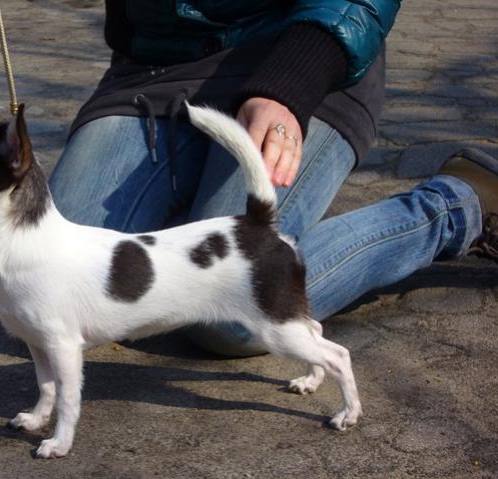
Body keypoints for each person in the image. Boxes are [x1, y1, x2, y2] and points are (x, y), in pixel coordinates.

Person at [49, 0, 498, 356]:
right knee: (56, 282)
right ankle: (199, 208)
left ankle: (454, 206)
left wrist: (293, 81)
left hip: (301, 52)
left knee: (234, 317)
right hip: (157, 70)